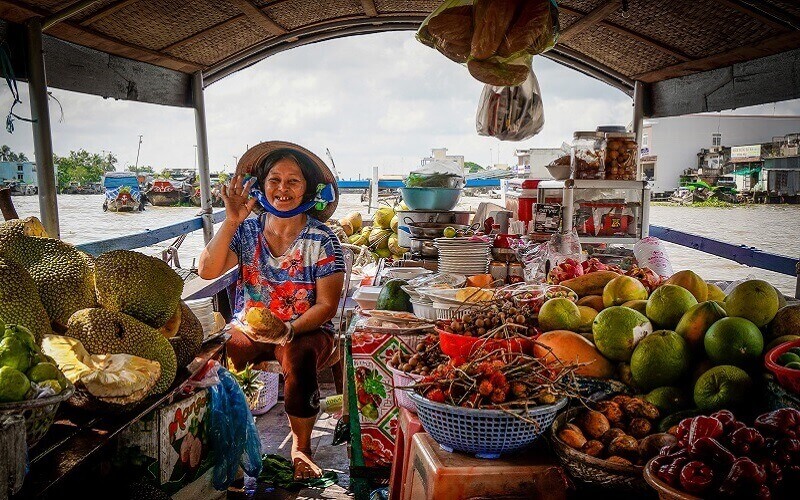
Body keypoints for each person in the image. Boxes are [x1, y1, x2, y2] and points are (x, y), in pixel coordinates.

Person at [198, 141, 344, 480]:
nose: (283, 188)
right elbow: (206, 270)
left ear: (308, 189)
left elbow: (327, 305)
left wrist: (289, 330)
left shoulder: (323, 239)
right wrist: (231, 221)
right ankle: (228, 438)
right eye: (274, 180)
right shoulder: (247, 231)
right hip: (251, 325)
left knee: (298, 357)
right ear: (261, 187)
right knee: (218, 355)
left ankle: (301, 447)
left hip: (307, 330)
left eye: (294, 181)